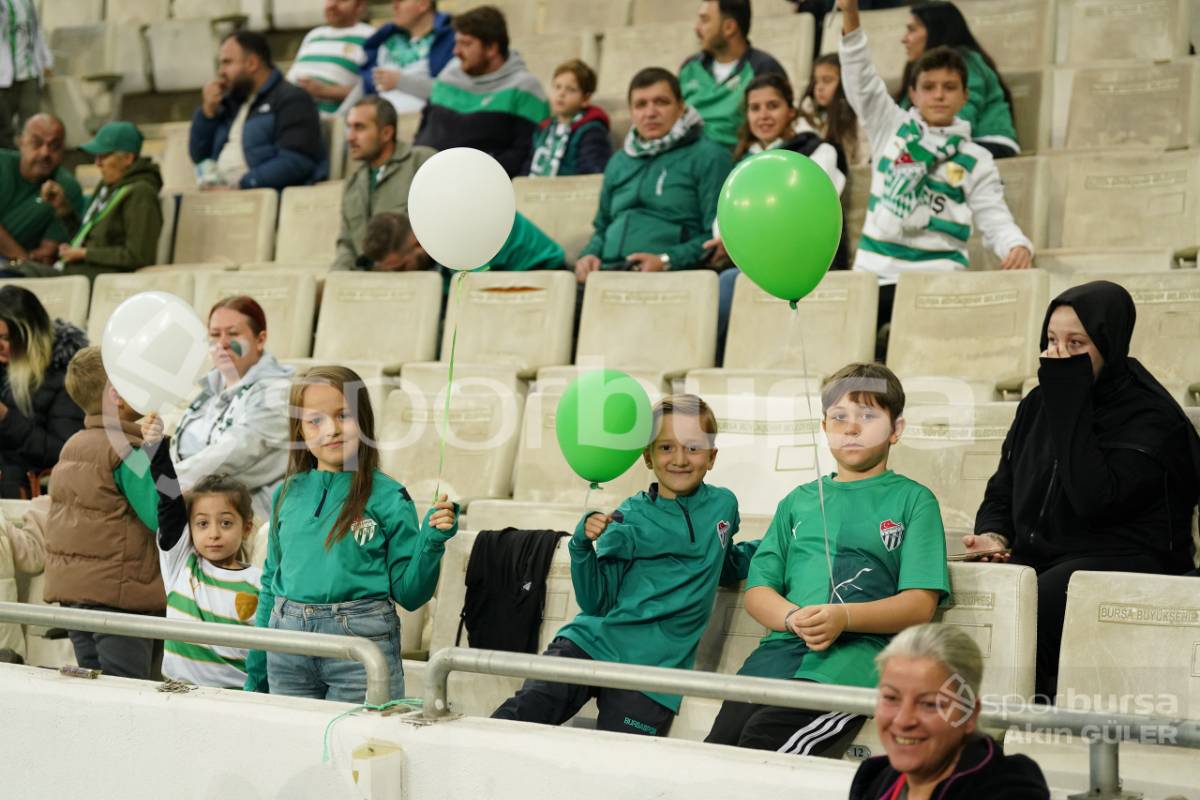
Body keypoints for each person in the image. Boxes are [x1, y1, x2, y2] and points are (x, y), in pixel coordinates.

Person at [705, 362, 950, 757]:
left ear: (896, 430)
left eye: (868, 416)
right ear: (824, 428)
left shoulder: (914, 501)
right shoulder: (796, 501)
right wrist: (790, 618)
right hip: (774, 659)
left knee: (766, 744)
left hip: (852, 664)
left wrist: (844, 618)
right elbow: (759, 589)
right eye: (839, 417)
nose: (852, 428)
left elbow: (920, 604)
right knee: (718, 750)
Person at [970, 281, 1200, 699]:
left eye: (1076, 343)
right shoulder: (1038, 404)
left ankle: (1023, 720)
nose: (1059, 354)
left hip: (1128, 557)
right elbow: (1001, 489)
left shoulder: (1151, 418)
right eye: (1052, 341)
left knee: (1036, 602)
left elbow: (1095, 501)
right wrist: (995, 534)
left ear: (1109, 344)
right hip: (1043, 557)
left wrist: (1067, 399)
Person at [493, 394, 757, 736]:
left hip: (652, 675)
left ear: (712, 457)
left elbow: (721, 562)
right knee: (511, 724)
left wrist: (774, 547)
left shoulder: (724, 505)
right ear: (647, 456)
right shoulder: (626, 519)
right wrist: (581, 545)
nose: (679, 459)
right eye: (665, 448)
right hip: (588, 646)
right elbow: (595, 603)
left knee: (622, 767)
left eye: (693, 447)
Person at [244, 365, 458, 701]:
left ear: (364, 421)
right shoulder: (286, 493)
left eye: (343, 415)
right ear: (299, 431)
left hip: (361, 648)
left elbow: (411, 595)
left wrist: (430, 543)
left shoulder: (390, 496)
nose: (331, 429)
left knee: (360, 747)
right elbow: (271, 582)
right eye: (315, 420)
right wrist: (257, 663)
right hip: (287, 647)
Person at [838, 0, 1032, 331]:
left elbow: (994, 217)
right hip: (875, 278)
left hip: (939, 280)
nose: (939, 95)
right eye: (929, 87)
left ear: (964, 96)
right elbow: (861, 79)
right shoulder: (891, 127)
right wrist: (850, 15)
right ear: (912, 93)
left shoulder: (977, 157)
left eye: (949, 87)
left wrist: (1015, 244)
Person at [43, 346, 165, 680]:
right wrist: (161, 455)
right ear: (120, 396)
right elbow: (162, 511)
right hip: (120, 600)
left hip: (76, 597)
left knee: (94, 690)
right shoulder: (129, 450)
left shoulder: (73, 445)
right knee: (128, 693)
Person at [715, 72, 849, 364]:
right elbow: (721, 222)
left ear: (791, 111)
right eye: (755, 108)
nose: (763, 115)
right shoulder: (742, 163)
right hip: (752, 260)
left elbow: (814, 207)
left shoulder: (819, 151)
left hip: (803, 257)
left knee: (726, 283)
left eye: (772, 106)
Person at [849, 623, 1051, 799]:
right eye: (891, 698)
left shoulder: (1007, 791)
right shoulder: (874, 779)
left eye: (929, 704)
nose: (903, 720)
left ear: (969, 714)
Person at [575, 68, 731, 284]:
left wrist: (666, 261)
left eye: (661, 102)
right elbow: (602, 227)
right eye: (641, 105)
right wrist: (589, 255)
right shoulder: (619, 161)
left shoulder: (710, 156)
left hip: (674, 278)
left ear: (681, 107)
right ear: (631, 112)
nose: (650, 113)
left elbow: (716, 238)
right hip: (607, 274)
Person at [143, 412, 262, 689]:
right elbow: (169, 500)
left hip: (238, 698)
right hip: (179, 691)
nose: (214, 533)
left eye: (226, 523)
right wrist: (156, 448)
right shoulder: (181, 562)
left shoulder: (259, 581)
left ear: (246, 528)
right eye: (202, 523)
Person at [171, 296, 294, 523]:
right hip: (193, 500)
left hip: (247, 513)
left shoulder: (277, 392)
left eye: (233, 334)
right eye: (215, 335)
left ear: (260, 339)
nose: (223, 343)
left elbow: (236, 451)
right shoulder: (208, 390)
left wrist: (166, 482)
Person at [13, 122, 163, 281]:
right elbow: (86, 236)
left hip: (94, 280)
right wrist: (63, 208)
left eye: (104, 156)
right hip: (73, 273)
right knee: (11, 270)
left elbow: (138, 256)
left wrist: (84, 254)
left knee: (15, 274)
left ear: (127, 158)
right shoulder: (107, 186)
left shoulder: (141, 193)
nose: (97, 163)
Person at [414, 5, 548, 177]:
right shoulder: (446, 77)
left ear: (491, 48)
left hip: (483, 188)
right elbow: (422, 135)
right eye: (456, 43)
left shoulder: (525, 89)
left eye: (466, 44)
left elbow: (525, 153)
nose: (456, 52)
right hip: (426, 182)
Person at [190, 31, 326, 190]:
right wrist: (208, 113)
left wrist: (243, 184)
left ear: (252, 63)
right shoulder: (230, 103)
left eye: (227, 63)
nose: (221, 72)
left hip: (257, 196)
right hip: (220, 193)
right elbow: (199, 156)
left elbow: (296, 162)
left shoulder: (292, 99)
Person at [897, 2, 1019, 158]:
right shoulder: (920, 70)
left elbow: (958, 115)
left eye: (912, 30)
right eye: (928, 87)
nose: (904, 39)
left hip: (988, 143)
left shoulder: (963, 62)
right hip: (944, 140)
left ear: (935, 29)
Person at [0, 285, 87, 498]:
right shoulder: (4, 366)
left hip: (24, 484)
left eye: (7, 338)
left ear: (29, 336)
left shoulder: (66, 376)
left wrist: (5, 418)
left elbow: (63, 452)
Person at [333, 96, 436, 271]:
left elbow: (443, 226)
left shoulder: (422, 161)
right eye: (349, 127)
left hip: (414, 276)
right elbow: (347, 244)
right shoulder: (353, 182)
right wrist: (336, 279)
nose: (350, 137)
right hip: (367, 283)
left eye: (360, 127)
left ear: (386, 133)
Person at [680, 0, 787, 150]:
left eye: (705, 20)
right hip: (684, 155)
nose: (696, 28)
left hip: (734, 159)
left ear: (729, 27)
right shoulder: (690, 67)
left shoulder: (763, 68)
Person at [360, 211, 564, 278]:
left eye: (402, 267)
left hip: (544, 274)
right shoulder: (432, 232)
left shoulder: (460, 230)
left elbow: (471, 297)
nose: (402, 275)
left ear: (417, 242)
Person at [0, 115, 83, 266]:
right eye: (36, 143)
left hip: (15, 269)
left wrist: (24, 263)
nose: (45, 153)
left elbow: (46, 253)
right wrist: (24, 261)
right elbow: (28, 260)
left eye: (54, 146)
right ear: (20, 141)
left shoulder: (68, 187)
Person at [361, 0, 456, 115]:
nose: (394, 6)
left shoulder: (453, 41)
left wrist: (401, 82)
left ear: (423, 4)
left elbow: (453, 92)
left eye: (400, 1)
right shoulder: (384, 41)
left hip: (428, 122)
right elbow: (364, 86)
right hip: (379, 123)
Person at [521, 59, 611, 177]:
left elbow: (592, 173)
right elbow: (529, 166)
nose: (561, 94)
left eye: (570, 89)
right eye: (557, 87)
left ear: (586, 99)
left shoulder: (592, 131)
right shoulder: (544, 129)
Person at [287, 0, 375, 118]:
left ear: (359, 5)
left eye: (341, 1)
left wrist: (323, 91)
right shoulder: (313, 35)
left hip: (331, 123)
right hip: (290, 116)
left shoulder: (371, 37)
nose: (331, 5)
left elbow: (374, 91)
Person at [799, 54, 868, 167]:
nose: (819, 87)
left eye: (827, 80)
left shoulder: (858, 119)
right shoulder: (809, 115)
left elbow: (862, 162)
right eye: (816, 81)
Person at [0, 0, 51, 150]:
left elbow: (36, 32)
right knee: (4, 129)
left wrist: (47, 60)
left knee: (31, 125)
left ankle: (28, 165)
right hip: (3, 77)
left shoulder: (27, 3)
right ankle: (7, 166)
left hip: (29, 72)